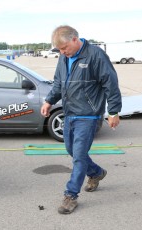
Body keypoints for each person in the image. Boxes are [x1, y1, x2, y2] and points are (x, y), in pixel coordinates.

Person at [40, 25, 122, 214]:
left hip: (88, 114)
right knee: (73, 151)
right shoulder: (64, 57)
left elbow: (111, 83)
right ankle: (96, 173)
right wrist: (49, 101)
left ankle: (71, 196)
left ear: (75, 39)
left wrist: (114, 111)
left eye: (65, 48)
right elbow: (59, 83)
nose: (62, 52)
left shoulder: (95, 55)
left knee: (78, 156)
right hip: (70, 113)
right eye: (60, 50)